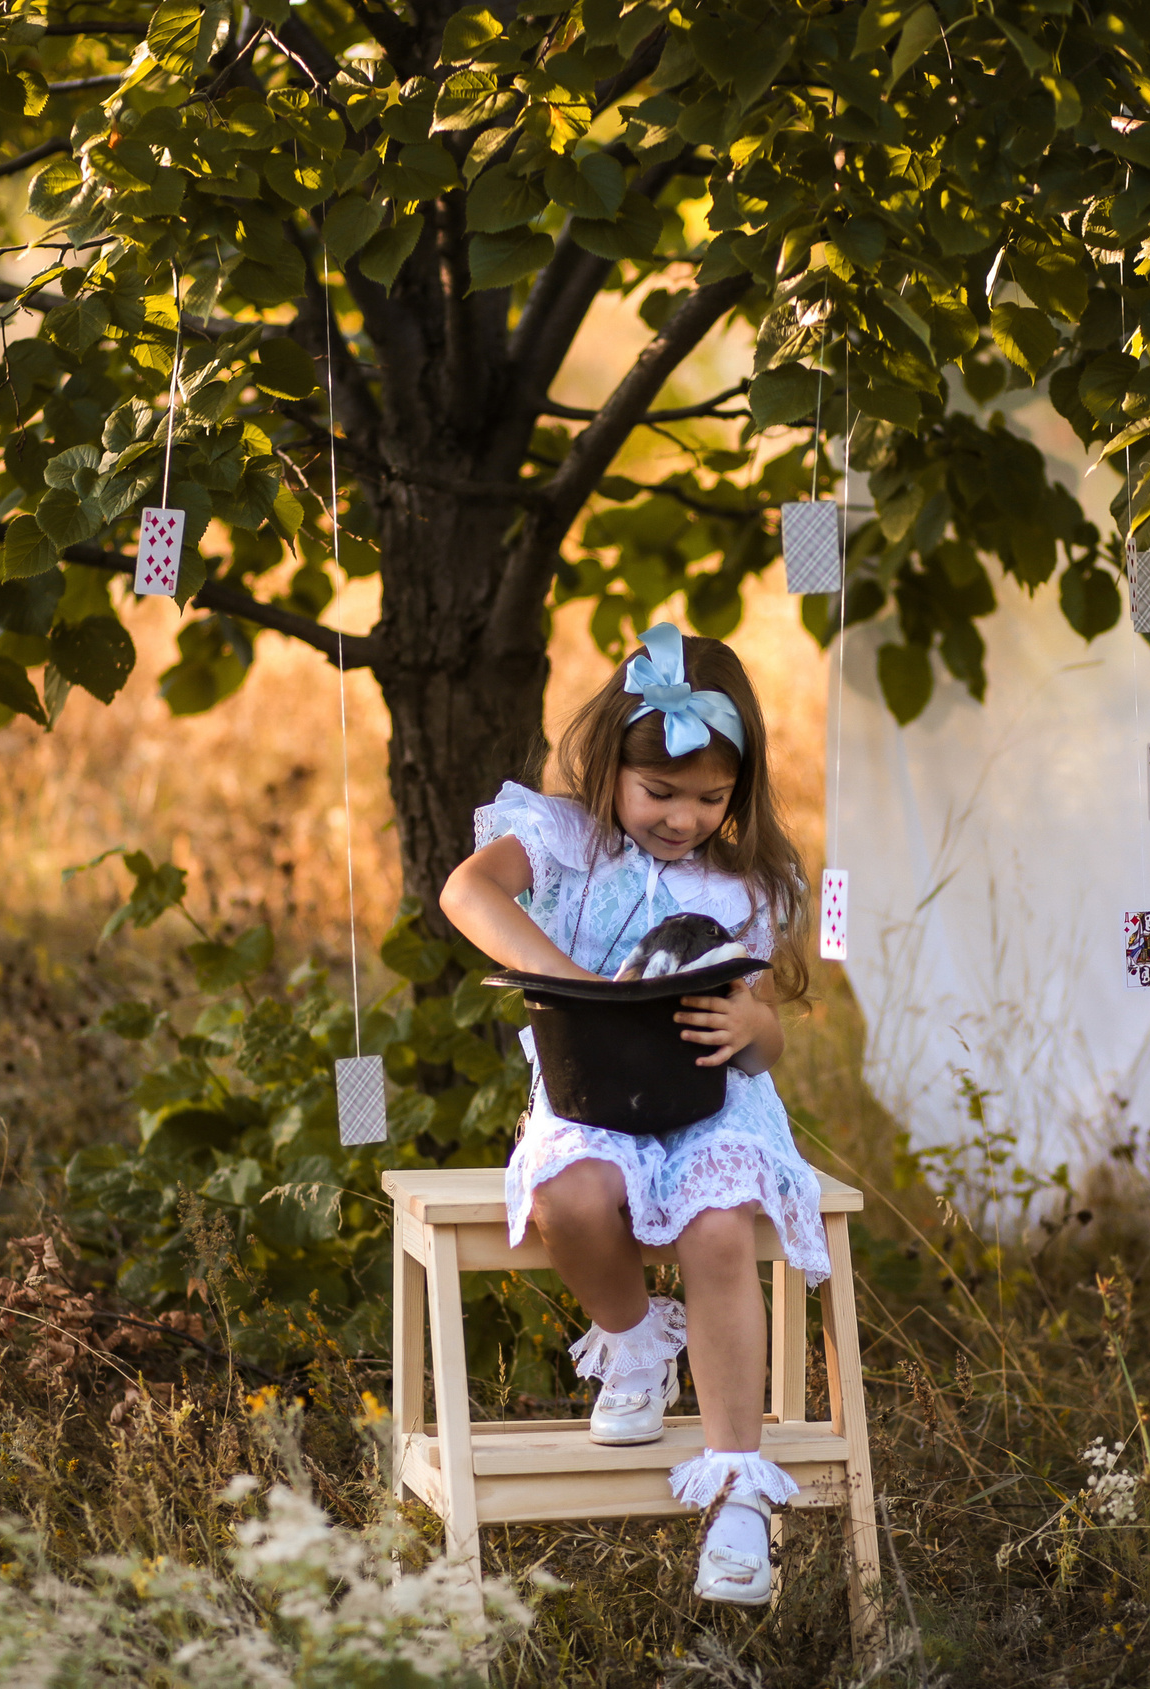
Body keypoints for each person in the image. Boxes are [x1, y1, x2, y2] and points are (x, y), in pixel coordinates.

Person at [440, 622, 824, 1607]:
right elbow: (466, 890)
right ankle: (638, 1341)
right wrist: (571, 984)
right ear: (613, 762)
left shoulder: (740, 883)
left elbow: (770, 1035)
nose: (682, 818)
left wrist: (750, 1024)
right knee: (571, 1197)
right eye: (660, 792)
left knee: (718, 1225)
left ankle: (736, 1487)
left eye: (710, 797)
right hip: (591, 1091)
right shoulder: (565, 839)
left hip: (710, 1097)